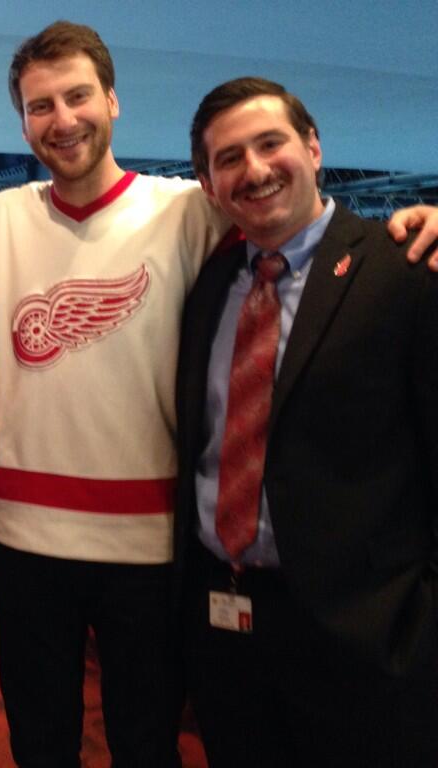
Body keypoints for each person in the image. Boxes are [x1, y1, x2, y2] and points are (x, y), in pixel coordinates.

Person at [0, 21, 438, 768]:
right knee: (40, 741)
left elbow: (298, 226)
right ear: (24, 123)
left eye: (77, 96)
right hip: (24, 542)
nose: (62, 120)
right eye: (41, 106)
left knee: (143, 740)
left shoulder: (188, 212)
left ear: (112, 101)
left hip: (150, 543)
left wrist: (413, 226)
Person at [175, 76, 438, 768]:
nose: (255, 170)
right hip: (225, 618)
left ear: (314, 148)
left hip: (364, 636)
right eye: (229, 158)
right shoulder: (210, 283)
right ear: (207, 182)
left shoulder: (406, 269)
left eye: (271, 144)